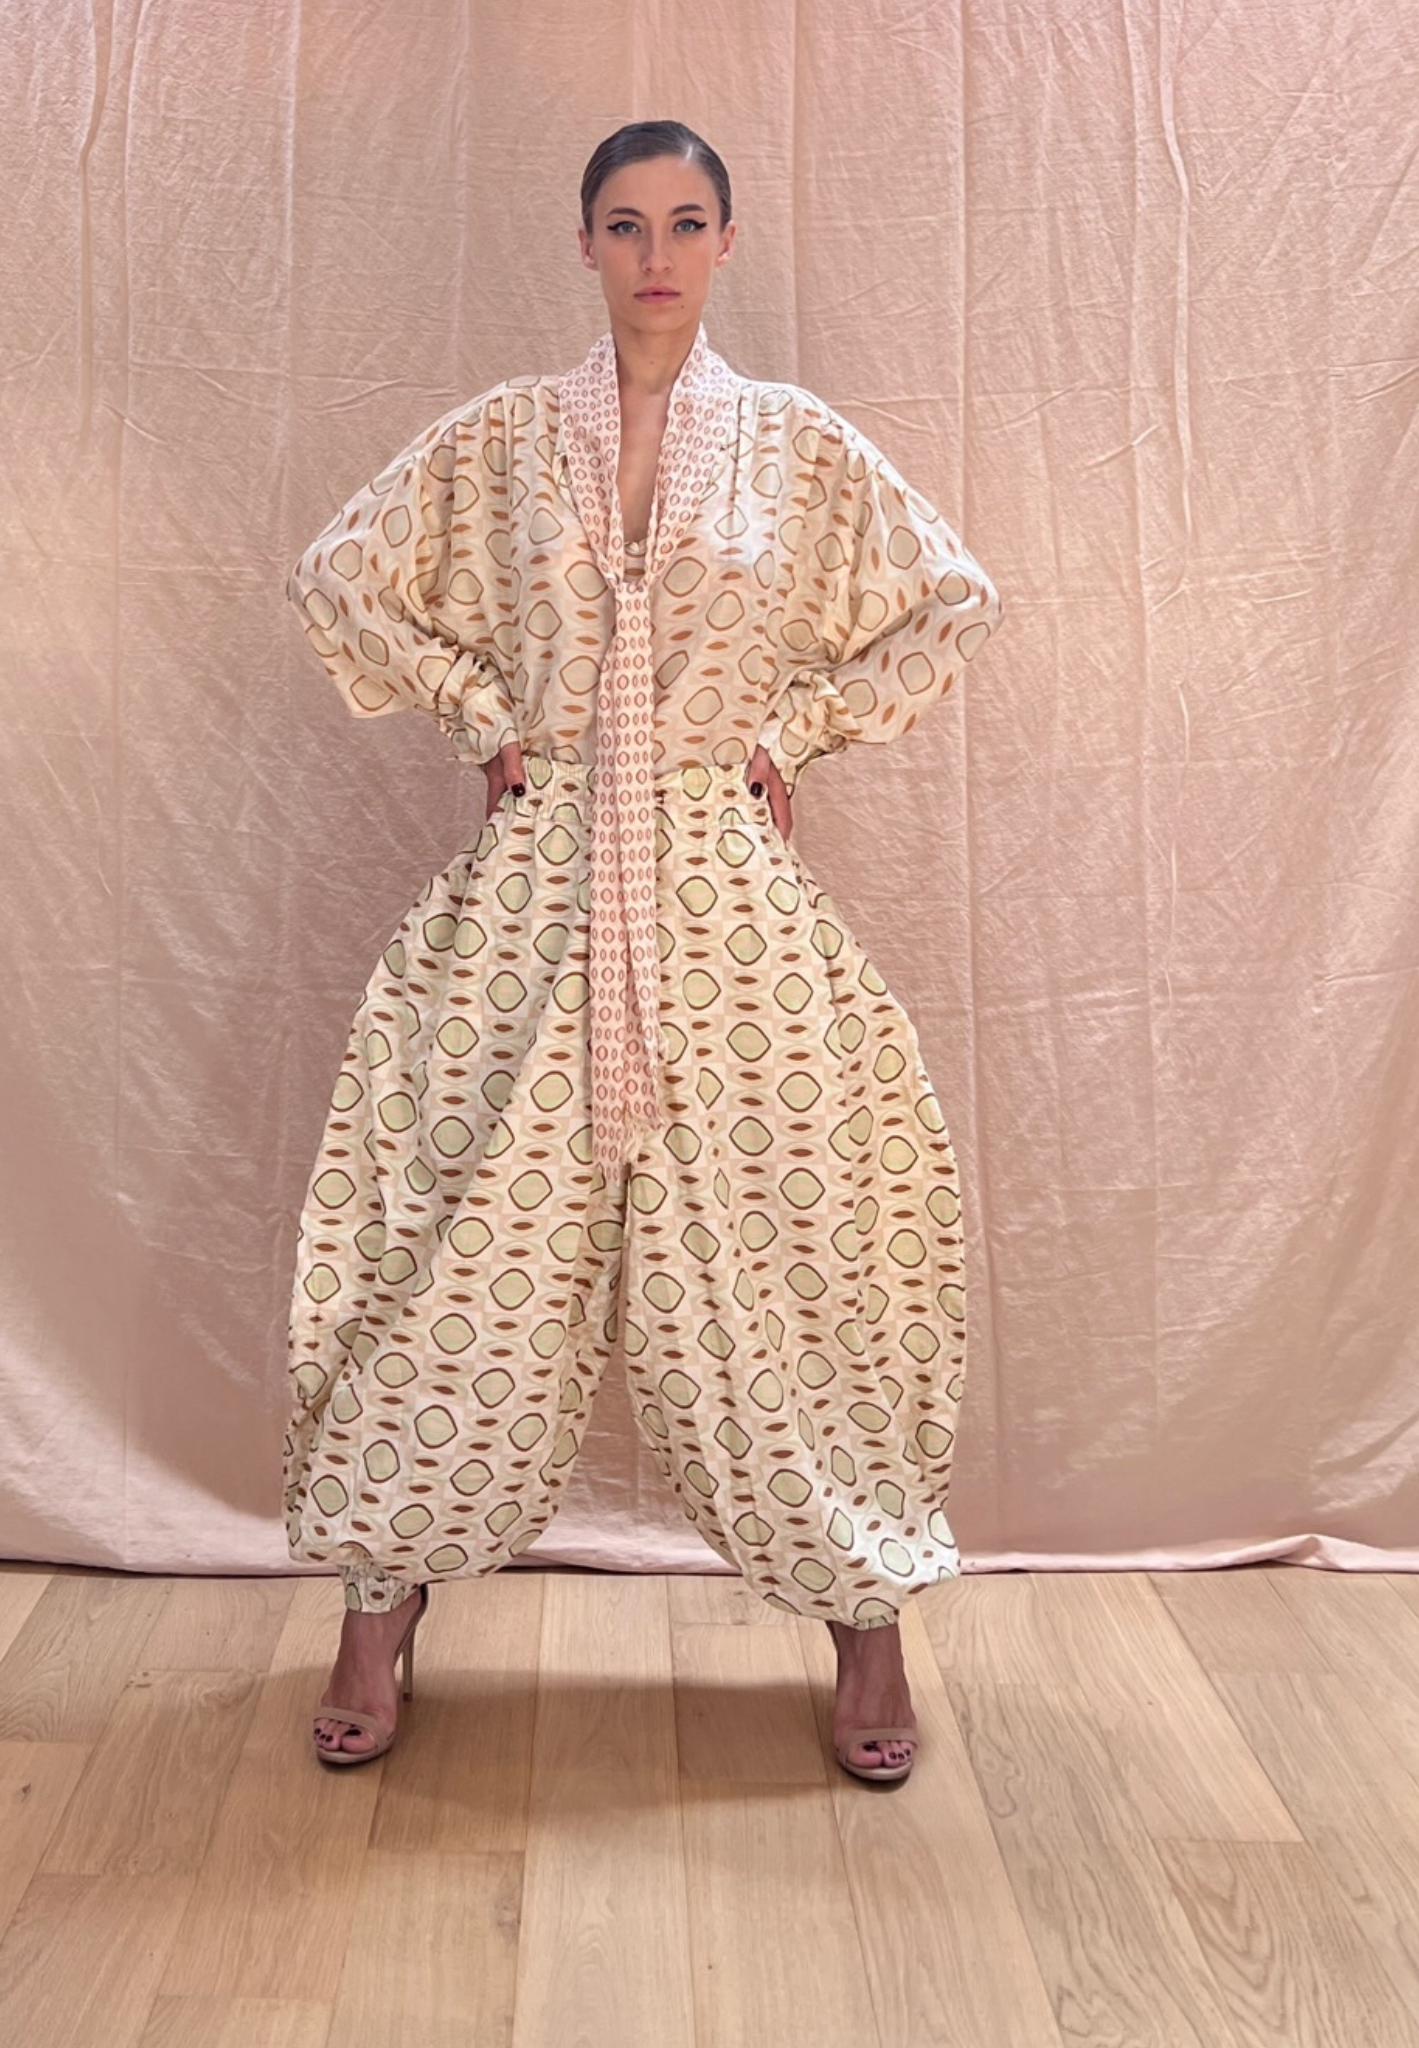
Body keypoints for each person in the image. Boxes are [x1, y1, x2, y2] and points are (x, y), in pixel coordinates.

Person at [281, 120, 1002, 1784]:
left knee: (794, 1251)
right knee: (453, 1247)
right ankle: (377, 1609)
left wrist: (789, 733)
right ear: (586, 245)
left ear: (726, 241)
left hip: (717, 903)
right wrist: (477, 711)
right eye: (624, 224)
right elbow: (337, 578)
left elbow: (948, 599)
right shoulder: (500, 440)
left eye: (685, 223)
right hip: (533, 897)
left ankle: (864, 1618)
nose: (655, 255)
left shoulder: (793, 447)